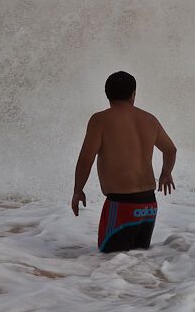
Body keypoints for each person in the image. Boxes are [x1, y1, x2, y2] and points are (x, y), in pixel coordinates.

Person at [71, 71, 177, 252]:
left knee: (109, 267)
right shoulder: (149, 119)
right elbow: (170, 149)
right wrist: (166, 173)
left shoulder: (100, 120)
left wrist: (77, 190)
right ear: (133, 95)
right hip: (148, 205)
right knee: (137, 265)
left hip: (121, 206)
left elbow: (85, 160)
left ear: (107, 94)